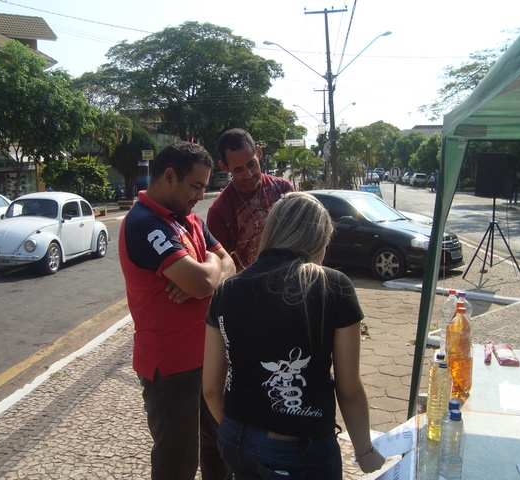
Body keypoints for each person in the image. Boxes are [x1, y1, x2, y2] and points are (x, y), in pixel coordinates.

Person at [203, 192, 385, 479]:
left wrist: (237, 430)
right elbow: (349, 390)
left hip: (236, 438)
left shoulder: (226, 290)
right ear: (318, 238)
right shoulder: (333, 286)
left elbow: (211, 389)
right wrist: (364, 451)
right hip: (301, 447)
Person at [118, 141, 235, 480]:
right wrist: (207, 274)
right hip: (170, 368)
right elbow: (203, 281)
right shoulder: (144, 223)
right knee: (177, 462)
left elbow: (230, 265)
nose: (201, 195)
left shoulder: (188, 218)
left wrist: (207, 271)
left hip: (208, 355)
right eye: (196, 186)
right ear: (169, 176)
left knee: (219, 446)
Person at [207, 128, 294, 271]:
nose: (248, 175)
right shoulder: (220, 211)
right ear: (224, 167)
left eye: (251, 164)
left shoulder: (284, 189)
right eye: (238, 170)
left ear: (259, 153)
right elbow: (218, 266)